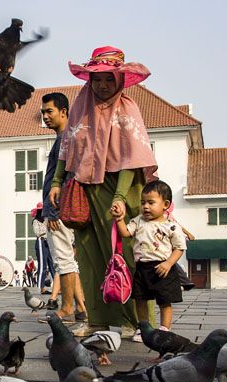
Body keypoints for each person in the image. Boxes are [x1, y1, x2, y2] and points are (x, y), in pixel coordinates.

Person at [48, 46, 157, 337]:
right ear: (89, 81)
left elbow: (131, 160)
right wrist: (58, 181)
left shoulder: (127, 109)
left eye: (109, 79)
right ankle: (96, 320)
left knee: (122, 255)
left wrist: (121, 198)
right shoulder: (81, 108)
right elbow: (67, 149)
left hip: (118, 190)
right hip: (84, 191)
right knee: (89, 256)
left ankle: (133, 321)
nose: (103, 85)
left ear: (119, 80)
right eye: (98, 79)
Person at [39, 92, 88, 324]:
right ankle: (80, 307)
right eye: (43, 113)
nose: (45, 116)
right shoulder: (66, 138)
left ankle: (66, 309)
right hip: (61, 211)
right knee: (69, 261)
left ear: (64, 112)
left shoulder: (65, 140)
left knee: (63, 261)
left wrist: (52, 212)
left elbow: (64, 180)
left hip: (59, 211)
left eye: (49, 111)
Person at [115, 181, 186, 337]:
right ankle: (143, 328)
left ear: (166, 205)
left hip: (163, 268)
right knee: (140, 299)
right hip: (142, 268)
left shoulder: (171, 226)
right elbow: (125, 233)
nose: (145, 206)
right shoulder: (138, 221)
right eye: (143, 203)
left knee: (164, 301)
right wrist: (119, 219)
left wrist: (168, 263)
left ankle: (164, 331)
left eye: (151, 202)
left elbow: (179, 248)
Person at [31, 203, 55, 296]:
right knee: (43, 266)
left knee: (52, 264)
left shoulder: (47, 219)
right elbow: (38, 233)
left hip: (49, 242)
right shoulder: (36, 221)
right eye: (40, 210)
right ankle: (41, 287)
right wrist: (47, 229)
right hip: (41, 242)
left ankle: (57, 286)